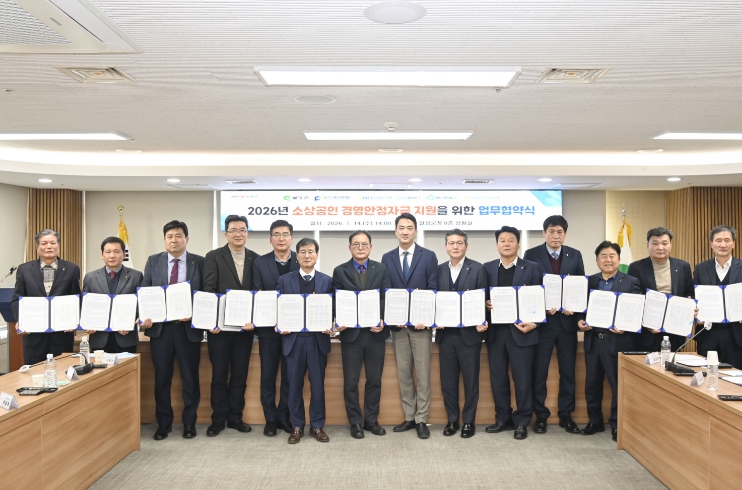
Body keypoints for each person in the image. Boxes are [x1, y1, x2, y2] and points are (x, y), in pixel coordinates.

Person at [140, 220, 205, 441]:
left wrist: (194, 313)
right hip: (161, 331)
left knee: (190, 378)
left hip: (188, 330)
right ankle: (163, 423)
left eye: (178, 236)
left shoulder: (200, 262)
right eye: (170, 236)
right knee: (162, 379)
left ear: (187, 239)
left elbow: (205, 294)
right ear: (164, 240)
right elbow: (146, 292)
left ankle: (189, 423)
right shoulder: (153, 261)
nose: (174, 240)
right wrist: (144, 316)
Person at [523, 215, 584, 434]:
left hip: (567, 323)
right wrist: (542, 307)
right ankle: (540, 416)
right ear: (544, 233)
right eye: (551, 231)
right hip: (543, 324)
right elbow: (528, 287)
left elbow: (580, 287)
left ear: (565, 234)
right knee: (539, 371)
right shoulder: (531, 254)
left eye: (559, 232)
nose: (555, 236)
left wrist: (574, 308)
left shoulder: (575, 255)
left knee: (568, 372)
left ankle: (566, 415)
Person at [381, 213, 438, 439]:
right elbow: (385, 291)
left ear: (415, 231)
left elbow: (433, 288)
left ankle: (422, 419)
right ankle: (409, 416)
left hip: (420, 326)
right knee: (404, 373)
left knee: (422, 373)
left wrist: (426, 314)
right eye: (401, 228)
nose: (405, 231)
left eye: (409, 228)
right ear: (396, 231)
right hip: (398, 326)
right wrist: (390, 316)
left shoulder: (428, 256)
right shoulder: (387, 257)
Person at [577, 241, 642, 442]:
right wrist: (580, 321)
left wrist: (626, 326)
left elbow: (637, 311)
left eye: (612, 255)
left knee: (617, 385)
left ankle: (616, 425)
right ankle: (594, 421)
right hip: (593, 341)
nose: (608, 260)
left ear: (619, 259)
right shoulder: (589, 281)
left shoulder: (631, 282)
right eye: (603, 256)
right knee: (592, 384)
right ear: (597, 261)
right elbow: (580, 309)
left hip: (617, 341)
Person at [484, 226, 544, 440]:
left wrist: (534, 324)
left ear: (518, 244)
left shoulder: (532, 268)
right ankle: (503, 418)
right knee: (498, 379)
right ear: (497, 245)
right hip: (496, 334)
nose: (506, 243)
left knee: (522, 379)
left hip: (522, 333)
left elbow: (540, 299)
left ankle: (522, 421)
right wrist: (486, 305)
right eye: (502, 240)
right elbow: (482, 297)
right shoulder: (488, 268)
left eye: (511, 240)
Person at [202, 215, 258, 437]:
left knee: (239, 375)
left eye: (242, 230)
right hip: (220, 330)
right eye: (233, 230)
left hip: (245, 330)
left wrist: (255, 319)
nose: (238, 234)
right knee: (219, 376)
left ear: (247, 233)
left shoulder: (255, 259)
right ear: (226, 234)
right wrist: (211, 321)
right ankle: (217, 420)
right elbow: (209, 289)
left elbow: (257, 293)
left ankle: (235, 417)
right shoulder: (214, 257)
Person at [332, 230, 391, 439]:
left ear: (371, 247)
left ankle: (371, 420)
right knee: (351, 381)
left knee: (374, 380)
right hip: (351, 336)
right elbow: (335, 300)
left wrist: (382, 319)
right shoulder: (340, 271)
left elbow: (385, 297)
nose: (360, 248)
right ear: (350, 247)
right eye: (356, 244)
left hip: (375, 334)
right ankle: (355, 421)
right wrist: (338, 319)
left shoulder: (381, 269)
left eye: (364, 244)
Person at [277, 238, 334, 444]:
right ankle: (297, 425)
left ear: (317, 255)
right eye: (303, 252)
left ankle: (317, 425)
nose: (307, 255)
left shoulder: (327, 281)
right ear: (297, 256)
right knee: (294, 386)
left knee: (317, 386)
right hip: (293, 341)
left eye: (311, 252)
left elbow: (333, 309)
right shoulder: (284, 280)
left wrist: (332, 324)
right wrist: (279, 324)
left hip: (317, 341)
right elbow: (278, 308)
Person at [435, 229, 488, 438]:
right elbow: (433, 298)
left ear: (466, 245)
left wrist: (482, 320)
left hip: (469, 336)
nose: (455, 246)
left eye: (459, 243)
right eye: (451, 243)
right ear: (445, 246)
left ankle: (468, 421)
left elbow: (483, 299)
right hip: (446, 336)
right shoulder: (438, 270)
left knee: (471, 381)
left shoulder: (478, 269)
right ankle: (452, 420)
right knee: (448, 382)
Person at [252, 219, 300, 436]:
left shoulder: (301, 259)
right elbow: (257, 293)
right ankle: (270, 420)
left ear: (292, 238)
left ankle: (284, 417)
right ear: (270, 239)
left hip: (294, 330)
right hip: (268, 330)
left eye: (285, 234)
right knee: (268, 376)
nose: (281, 239)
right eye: (277, 235)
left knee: (290, 377)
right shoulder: (260, 263)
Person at [11, 229, 81, 365]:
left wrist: (74, 319)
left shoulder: (72, 269)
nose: (49, 246)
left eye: (53, 243)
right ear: (37, 247)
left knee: (63, 372)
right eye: (44, 243)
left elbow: (77, 298)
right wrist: (21, 320)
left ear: (58, 246)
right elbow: (17, 299)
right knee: (33, 373)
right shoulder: (24, 269)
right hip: (33, 336)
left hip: (62, 335)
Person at [628, 227, 694, 352]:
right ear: (647, 245)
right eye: (655, 243)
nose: (660, 247)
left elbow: (690, 293)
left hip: (675, 330)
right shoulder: (636, 267)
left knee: (671, 364)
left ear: (671, 245)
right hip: (647, 333)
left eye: (664, 243)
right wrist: (646, 323)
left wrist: (690, 303)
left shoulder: (683, 266)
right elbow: (634, 299)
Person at [82, 236, 143, 354]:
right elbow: (84, 305)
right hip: (99, 337)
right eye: (108, 252)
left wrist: (130, 323)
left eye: (116, 251)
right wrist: (87, 323)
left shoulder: (136, 276)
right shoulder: (91, 277)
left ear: (124, 254)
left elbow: (140, 305)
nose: (112, 255)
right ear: (102, 255)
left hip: (126, 337)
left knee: (128, 366)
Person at [693, 225, 742, 368]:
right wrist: (695, 311)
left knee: (735, 376)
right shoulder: (701, 268)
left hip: (736, 335)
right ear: (711, 243)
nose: (723, 245)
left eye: (727, 240)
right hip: (708, 333)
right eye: (718, 240)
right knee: (706, 374)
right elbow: (694, 296)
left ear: (733, 243)